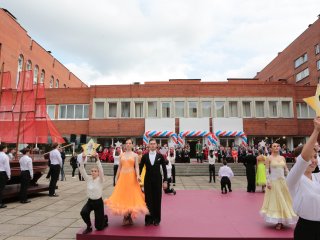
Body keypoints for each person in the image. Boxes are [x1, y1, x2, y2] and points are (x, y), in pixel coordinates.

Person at [286, 117, 320, 239]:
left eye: (315, 157)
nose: (313, 160)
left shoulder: (317, 177)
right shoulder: (294, 179)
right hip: (306, 230)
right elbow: (303, 160)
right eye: (310, 157)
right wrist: (316, 131)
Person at [105, 138, 148, 226]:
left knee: (131, 196)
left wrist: (138, 176)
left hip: (132, 177)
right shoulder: (122, 155)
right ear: (125, 145)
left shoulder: (135, 155)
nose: (128, 144)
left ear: (132, 145)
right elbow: (119, 167)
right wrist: (116, 178)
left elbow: (136, 167)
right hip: (123, 178)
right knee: (123, 195)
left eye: (129, 143)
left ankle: (129, 216)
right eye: (126, 143)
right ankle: (125, 216)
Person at [260, 142, 297, 230]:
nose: (276, 147)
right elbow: (266, 171)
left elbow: (286, 169)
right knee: (277, 200)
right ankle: (279, 221)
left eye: (277, 146)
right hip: (274, 182)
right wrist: (268, 182)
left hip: (283, 182)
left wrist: (290, 178)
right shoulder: (268, 158)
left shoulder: (282, 158)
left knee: (285, 200)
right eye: (274, 146)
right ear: (271, 148)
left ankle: (283, 218)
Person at [140, 138, 168, 226]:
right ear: (148, 145)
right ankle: (148, 219)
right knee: (148, 200)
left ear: (156, 145)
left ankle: (156, 219)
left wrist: (165, 181)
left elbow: (164, 169)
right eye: (151, 144)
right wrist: (137, 179)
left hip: (157, 180)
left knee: (157, 199)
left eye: (154, 144)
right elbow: (140, 168)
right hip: (147, 180)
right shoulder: (144, 156)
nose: (152, 145)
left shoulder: (160, 156)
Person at [80, 153, 108, 234]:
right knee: (83, 212)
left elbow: (101, 169)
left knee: (99, 227)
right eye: (92, 171)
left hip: (98, 202)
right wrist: (83, 159)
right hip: (90, 202)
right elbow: (82, 169)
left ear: (98, 173)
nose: (93, 172)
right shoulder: (88, 179)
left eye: (95, 171)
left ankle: (104, 219)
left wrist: (97, 159)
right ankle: (89, 226)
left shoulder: (100, 180)